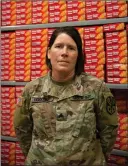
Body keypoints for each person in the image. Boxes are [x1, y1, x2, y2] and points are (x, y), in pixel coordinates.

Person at [14, 26, 118, 166]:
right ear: (49, 53)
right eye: (58, 46)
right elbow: (22, 129)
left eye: (71, 48)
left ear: (78, 55)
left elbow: (109, 130)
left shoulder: (97, 88)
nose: (64, 53)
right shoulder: (32, 90)